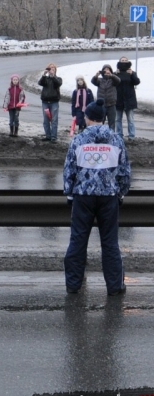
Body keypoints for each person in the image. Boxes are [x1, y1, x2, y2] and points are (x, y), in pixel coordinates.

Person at [63, 98, 131, 296]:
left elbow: (69, 170)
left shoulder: (79, 140)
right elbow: (125, 173)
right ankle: (115, 287)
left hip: (83, 196)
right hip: (108, 197)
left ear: (88, 118)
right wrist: (121, 192)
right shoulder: (116, 140)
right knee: (110, 243)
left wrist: (69, 193)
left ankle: (73, 285)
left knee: (78, 240)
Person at [115, 56, 140, 141]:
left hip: (129, 99)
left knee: (130, 119)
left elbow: (137, 82)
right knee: (118, 119)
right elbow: (112, 83)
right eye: (122, 60)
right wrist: (115, 74)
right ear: (119, 62)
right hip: (118, 99)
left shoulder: (132, 73)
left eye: (125, 60)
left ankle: (131, 136)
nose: (124, 62)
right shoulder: (116, 73)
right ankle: (119, 135)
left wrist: (132, 74)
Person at [38, 62, 62, 143]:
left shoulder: (58, 79)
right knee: (46, 120)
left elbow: (58, 84)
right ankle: (48, 136)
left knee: (54, 120)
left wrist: (53, 76)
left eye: (53, 68)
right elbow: (40, 83)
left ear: (55, 70)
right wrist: (44, 75)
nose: (51, 70)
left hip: (54, 102)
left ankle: (53, 137)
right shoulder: (45, 79)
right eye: (50, 68)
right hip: (45, 102)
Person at [91, 64, 120, 130]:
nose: (106, 71)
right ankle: (99, 134)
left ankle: (111, 135)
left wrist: (111, 75)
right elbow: (93, 81)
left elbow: (118, 80)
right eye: (105, 70)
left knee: (112, 123)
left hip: (111, 105)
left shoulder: (113, 80)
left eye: (108, 69)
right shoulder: (100, 80)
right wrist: (96, 76)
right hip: (102, 105)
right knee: (100, 122)